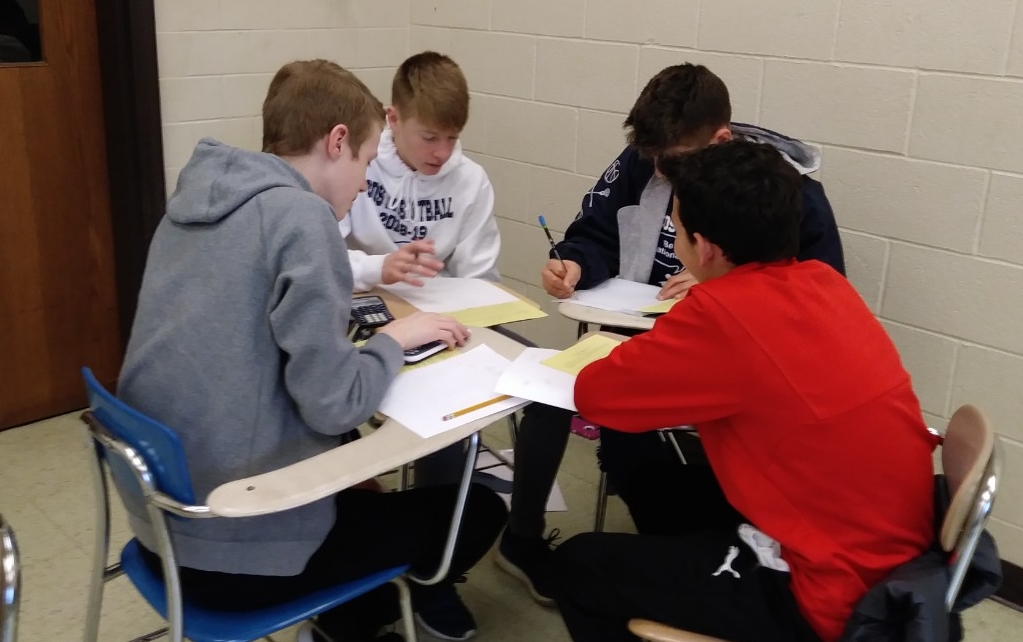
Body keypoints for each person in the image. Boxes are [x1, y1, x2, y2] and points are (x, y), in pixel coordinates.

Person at [117, 60, 506, 642]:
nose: (364, 185)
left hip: (161, 522)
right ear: (337, 141)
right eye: (366, 163)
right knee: (478, 512)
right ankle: (346, 624)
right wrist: (392, 341)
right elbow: (334, 405)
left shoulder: (196, 199)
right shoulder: (303, 217)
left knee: (361, 480)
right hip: (235, 550)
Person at [552, 140, 937, 642]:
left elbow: (597, 395)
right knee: (653, 486)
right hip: (892, 553)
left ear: (704, 247)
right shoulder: (824, 282)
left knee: (578, 565)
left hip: (832, 593)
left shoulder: (720, 314)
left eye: (676, 227)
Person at [496, 63, 845, 604]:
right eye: (653, 159)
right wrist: (576, 262)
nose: (661, 172)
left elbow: (815, 303)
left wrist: (721, 288)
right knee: (567, 400)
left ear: (719, 141)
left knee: (644, 432)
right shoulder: (648, 160)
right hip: (639, 337)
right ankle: (539, 539)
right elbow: (595, 232)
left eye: (675, 162)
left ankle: (695, 562)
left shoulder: (775, 193)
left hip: (735, 365)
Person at [340, 51, 500, 293]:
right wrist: (378, 268)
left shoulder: (472, 180)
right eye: (429, 138)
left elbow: (480, 280)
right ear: (394, 119)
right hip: (366, 296)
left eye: (452, 138)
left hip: (437, 304)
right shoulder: (357, 165)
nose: (442, 153)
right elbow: (324, 260)